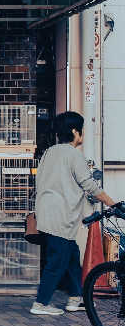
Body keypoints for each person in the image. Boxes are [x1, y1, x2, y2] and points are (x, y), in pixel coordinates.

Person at [31, 111, 118, 315]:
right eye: (82, 131)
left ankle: (76, 298)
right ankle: (40, 304)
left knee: (71, 257)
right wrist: (112, 203)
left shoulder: (49, 152)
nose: (83, 135)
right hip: (61, 217)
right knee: (57, 262)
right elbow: (89, 185)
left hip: (47, 214)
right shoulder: (73, 155)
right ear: (74, 131)